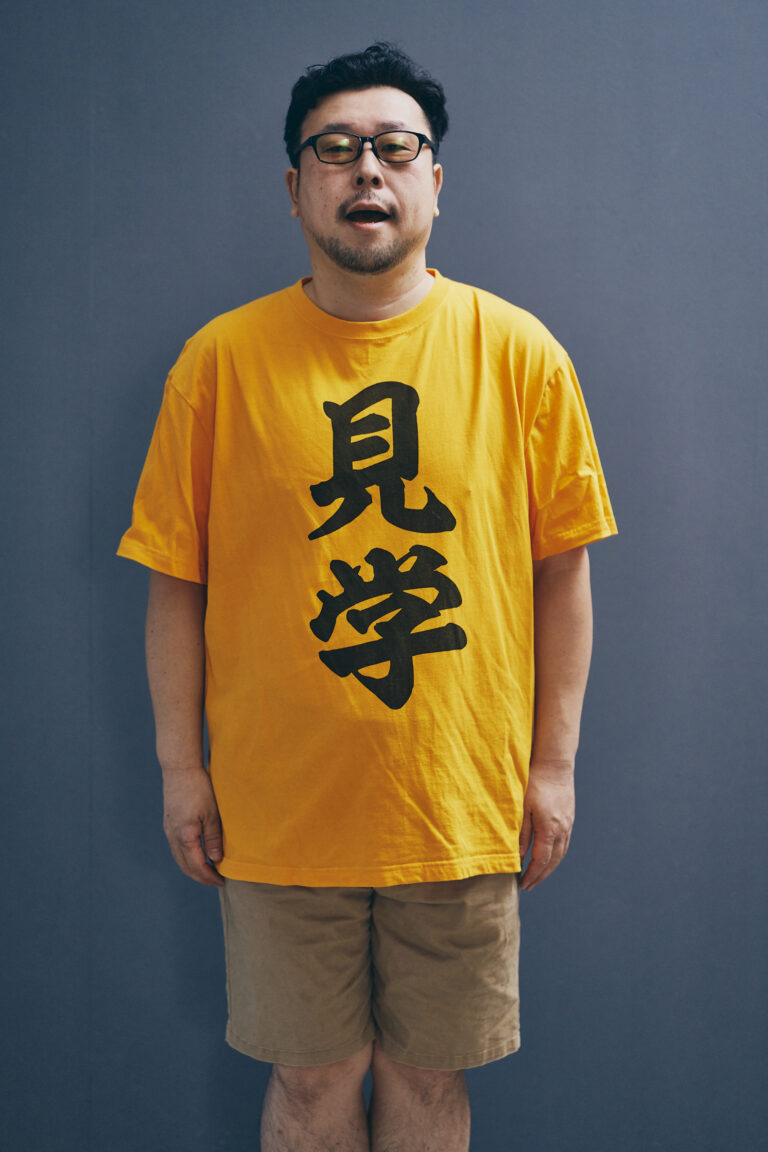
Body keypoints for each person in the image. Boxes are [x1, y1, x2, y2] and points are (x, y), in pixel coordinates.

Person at [118, 41, 617, 1152]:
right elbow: (176, 580)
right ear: (294, 186)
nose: (367, 172)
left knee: (431, 1080)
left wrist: (553, 766)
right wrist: (180, 769)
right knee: (311, 1081)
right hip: (277, 807)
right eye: (335, 150)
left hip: (458, 799)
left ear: (436, 179)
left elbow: (564, 572)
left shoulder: (518, 354)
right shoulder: (219, 364)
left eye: (396, 148)